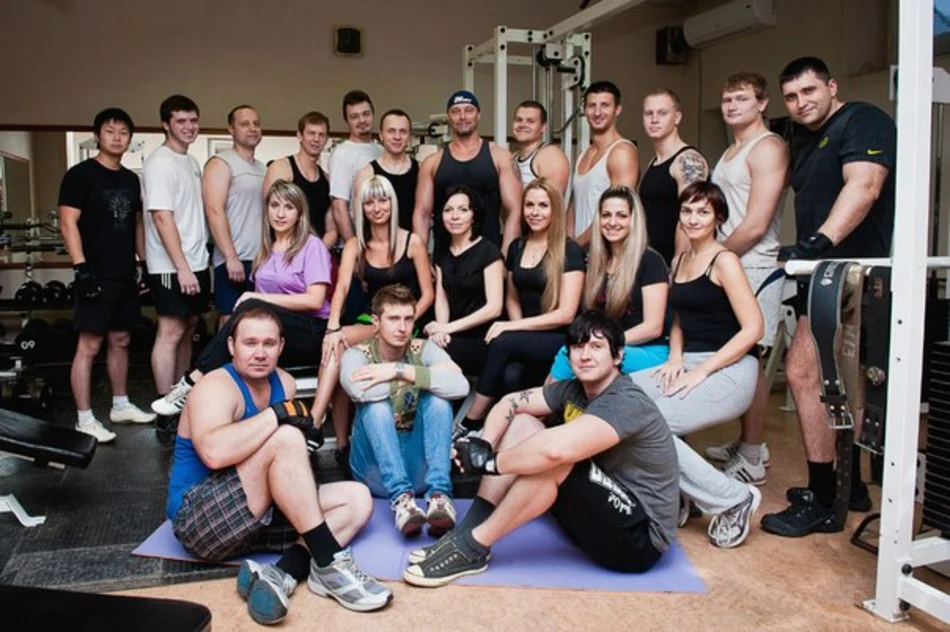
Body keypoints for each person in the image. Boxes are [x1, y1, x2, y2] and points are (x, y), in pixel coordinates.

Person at [401, 311, 679, 586]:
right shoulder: (572, 389)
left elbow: (555, 451)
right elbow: (511, 402)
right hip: (597, 513)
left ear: (617, 356)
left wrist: (490, 462)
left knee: (555, 459)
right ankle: (468, 530)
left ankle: (473, 548)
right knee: (524, 422)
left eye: (596, 347)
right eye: (578, 347)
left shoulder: (625, 400)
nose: (585, 355)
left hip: (638, 538)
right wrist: (483, 444)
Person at [165, 307, 391, 625]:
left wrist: (303, 440)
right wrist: (276, 417)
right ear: (231, 346)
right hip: (200, 521)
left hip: (255, 518)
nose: (260, 353)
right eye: (250, 343)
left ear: (281, 347)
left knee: (357, 499)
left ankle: (283, 573)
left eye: (269, 344)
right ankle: (330, 562)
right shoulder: (215, 386)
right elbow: (214, 454)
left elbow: (279, 463)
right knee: (285, 436)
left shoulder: (284, 383)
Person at [760, 56, 895, 537]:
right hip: (820, 273)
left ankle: (823, 500)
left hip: (851, 272)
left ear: (832, 86)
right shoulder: (801, 137)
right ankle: (849, 487)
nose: (801, 103)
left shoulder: (863, 120)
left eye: (809, 91)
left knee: (804, 372)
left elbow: (865, 187)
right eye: (792, 96)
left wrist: (817, 244)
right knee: (837, 383)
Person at [629, 182, 764, 548]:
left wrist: (702, 371)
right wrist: (676, 357)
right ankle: (678, 494)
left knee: (656, 422)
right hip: (689, 359)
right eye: (687, 211)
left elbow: (754, 329)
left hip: (731, 367)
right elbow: (679, 319)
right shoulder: (680, 261)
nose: (693, 218)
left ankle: (733, 499)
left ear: (718, 218)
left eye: (703, 212)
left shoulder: (725, 262)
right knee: (623, 400)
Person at [152, 181, 332, 416]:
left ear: (299, 214)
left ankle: (192, 381)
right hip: (275, 334)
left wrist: (258, 299)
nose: (280, 214)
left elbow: (315, 301)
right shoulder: (266, 249)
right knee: (241, 332)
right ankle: (209, 403)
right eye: (274, 205)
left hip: (312, 332)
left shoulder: (312, 246)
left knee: (250, 305)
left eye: (289, 207)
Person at [704, 72, 789, 486]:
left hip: (754, 266)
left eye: (741, 98)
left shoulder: (768, 147)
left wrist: (712, 258)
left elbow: (755, 225)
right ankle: (748, 443)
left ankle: (752, 456)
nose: (732, 106)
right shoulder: (730, 151)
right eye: (727, 99)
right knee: (740, 361)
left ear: (762, 103)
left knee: (752, 364)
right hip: (732, 264)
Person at [316, 175, 434, 468]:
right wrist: (332, 326)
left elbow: (428, 294)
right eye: (369, 202)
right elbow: (342, 287)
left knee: (341, 342)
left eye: (383, 200)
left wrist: (403, 322)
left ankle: (314, 422)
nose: (377, 208)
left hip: (406, 322)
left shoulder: (412, 242)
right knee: (336, 345)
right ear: (361, 208)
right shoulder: (355, 245)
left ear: (392, 203)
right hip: (372, 321)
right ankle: (340, 444)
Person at [455, 178, 584, 437]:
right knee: (511, 375)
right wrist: (517, 328)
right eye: (529, 205)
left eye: (543, 205)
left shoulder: (569, 250)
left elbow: (566, 314)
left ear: (555, 210)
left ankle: (469, 423)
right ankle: (505, 433)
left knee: (502, 341)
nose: (535, 212)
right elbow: (512, 298)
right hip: (525, 337)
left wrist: (513, 328)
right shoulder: (517, 246)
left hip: (559, 338)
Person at [340, 285, 470, 536]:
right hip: (373, 471)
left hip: (419, 467)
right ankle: (401, 500)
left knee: (439, 400)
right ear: (376, 322)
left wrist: (397, 371)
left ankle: (439, 496)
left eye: (408, 319)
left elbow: (460, 386)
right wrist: (426, 377)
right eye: (393, 319)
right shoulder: (357, 355)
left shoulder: (424, 349)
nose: (402, 327)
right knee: (376, 407)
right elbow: (360, 391)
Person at [58, 107, 155, 443]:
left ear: (130, 139)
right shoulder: (80, 175)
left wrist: (143, 263)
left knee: (121, 340)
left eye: (123, 132)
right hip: (94, 272)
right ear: (97, 136)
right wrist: (80, 267)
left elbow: (137, 224)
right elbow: (67, 222)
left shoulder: (130, 179)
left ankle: (120, 405)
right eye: (110, 131)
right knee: (89, 345)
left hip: (124, 273)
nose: (117, 137)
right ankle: (84, 419)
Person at [548, 186, 669, 382]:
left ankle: (543, 400)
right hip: (612, 347)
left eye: (621, 215)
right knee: (572, 353)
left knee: (570, 355)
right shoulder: (596, 262)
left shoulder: (650, 261)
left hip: (649, 350)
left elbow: (653, 326)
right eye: (606, 215)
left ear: (634, 220)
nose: (612, 222)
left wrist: (603, 344)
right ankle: (545, 398)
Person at [142, 94, 211, 406]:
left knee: (189, 326)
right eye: (181, 121)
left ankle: (179, 395)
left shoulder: (191, 162)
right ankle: (164, 405)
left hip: (196, 261)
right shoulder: (160, 163)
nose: (189, 127)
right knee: (170, 331)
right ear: (165, 125)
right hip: (172, 266)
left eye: (193, 120)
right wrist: (182, 267)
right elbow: (161, 217)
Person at [413, 90, 522, 255]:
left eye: (469, 110)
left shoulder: (501, 158)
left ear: (478, 115)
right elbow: (422, 214)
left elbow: (514, 210)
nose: (463, 116)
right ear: (448, 117)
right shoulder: (432, 163)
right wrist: (421, 258)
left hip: (489, 258)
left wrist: (506, 255)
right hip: (445, 259)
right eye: (456, 111)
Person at [423, 185, 505, 377]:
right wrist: (440, 331)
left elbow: (494, 307)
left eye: (463, 210)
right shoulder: (442, 253)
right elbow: (442, 299)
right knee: (430, 348)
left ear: (473, 215)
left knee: (428, 354)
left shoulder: (489, 251)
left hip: (484, 338)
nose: (455, 216)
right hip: (451, 335)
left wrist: (448, 328)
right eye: (448, 210)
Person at [203, 105, 266, 325]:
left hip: (260, 260)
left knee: (257, 323)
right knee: (230, 322)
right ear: (231, 129)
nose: (252, 128)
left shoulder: (263, 169)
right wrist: (231, 257)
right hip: (234, 260)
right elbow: (214, 210)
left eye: (256, 123)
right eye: (245, 124)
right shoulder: (220, 163)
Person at [639, 88, 709, 265]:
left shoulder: (688, 160)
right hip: (653, 261)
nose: (654, 119)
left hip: (675, 264)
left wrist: (678, 263)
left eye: (662, 113)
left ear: (677, 117)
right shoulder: (653, 162)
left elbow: (691, 218)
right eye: (649, 113)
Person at [569, 81, 639, 249]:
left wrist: (577, 245)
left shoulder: (622, 152)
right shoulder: (583, 155)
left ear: (617, 110)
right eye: (592, 106)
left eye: (605, 105)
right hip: (581, 253)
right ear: (585, 110)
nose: (597, 112)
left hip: (607, 251)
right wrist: (569, 245)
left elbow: (619, 210)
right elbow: (573, 207)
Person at [263, 111, 337, 247]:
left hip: (317, 251)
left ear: (327, 140)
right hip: (285, 250)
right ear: (300, 135)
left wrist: (316, 253)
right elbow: (270, 216)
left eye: (321, 135)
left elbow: (331, 229)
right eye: (311, 133)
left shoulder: (327, 179)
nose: (316, 139)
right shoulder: (282, 168)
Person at [330, 90, 383, 241]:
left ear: (373, 115)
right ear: (347, 121)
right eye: (354, 117)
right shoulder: (342, 154)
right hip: (359, 239)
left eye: (366, 114)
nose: (362, 120)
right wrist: (353, 246)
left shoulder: (381, 150)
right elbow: (339, 207)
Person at [354, 108, 418, 231]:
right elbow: (360, 222)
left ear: (409, 137)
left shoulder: (420, 171)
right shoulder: (366, 175)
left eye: (403, 132)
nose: (397, 137)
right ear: (381, 135)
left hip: (411, 241)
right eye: (391, 131)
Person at [511, 100, 570, 195]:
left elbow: (553, 200)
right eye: (519, 120)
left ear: (543, 127)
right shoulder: (514, 157)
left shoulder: (550, 155)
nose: (522, 125)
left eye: (530, 121)